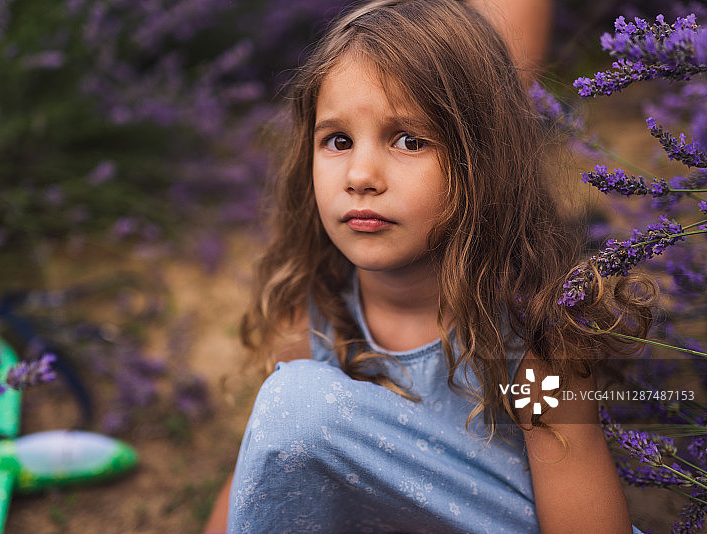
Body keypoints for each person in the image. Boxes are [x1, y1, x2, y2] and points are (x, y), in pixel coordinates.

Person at [205, 1, 652, 532]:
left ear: (482, 162)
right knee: (290, 403)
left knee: (295, 401)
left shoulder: (535, 337)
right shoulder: (316, 314)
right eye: (338, 141)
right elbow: (264, 473)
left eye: (409, 140)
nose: (361, 174)